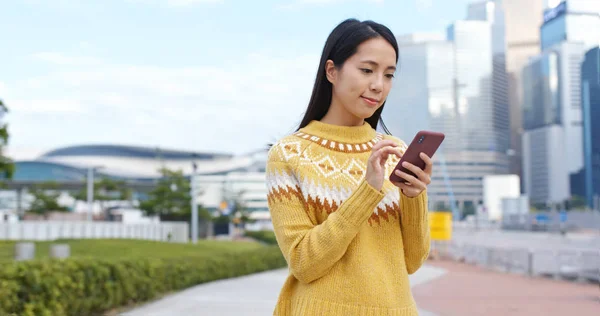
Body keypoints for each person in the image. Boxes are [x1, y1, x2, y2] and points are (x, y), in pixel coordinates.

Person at [265, 18, 433, 315]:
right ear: (332, 70)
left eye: (389, 74)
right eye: (367, 70)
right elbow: (304, 262)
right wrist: (367, 190)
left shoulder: (394, 152)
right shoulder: (289, 154)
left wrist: (413, 197)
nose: (378, 85)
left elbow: (413, 260)